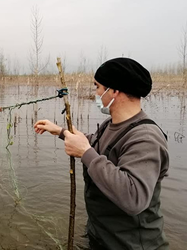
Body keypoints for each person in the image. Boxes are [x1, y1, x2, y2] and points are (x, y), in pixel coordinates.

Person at [34, 57, 169, 250]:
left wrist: (85, 153)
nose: (96, 93)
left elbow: (134, 198)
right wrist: (61, 132)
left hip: (132, 245)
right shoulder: (111, 124)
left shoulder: (146, 138)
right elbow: (97, 146)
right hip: (102, 237)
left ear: (114, 90)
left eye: (98, 87)